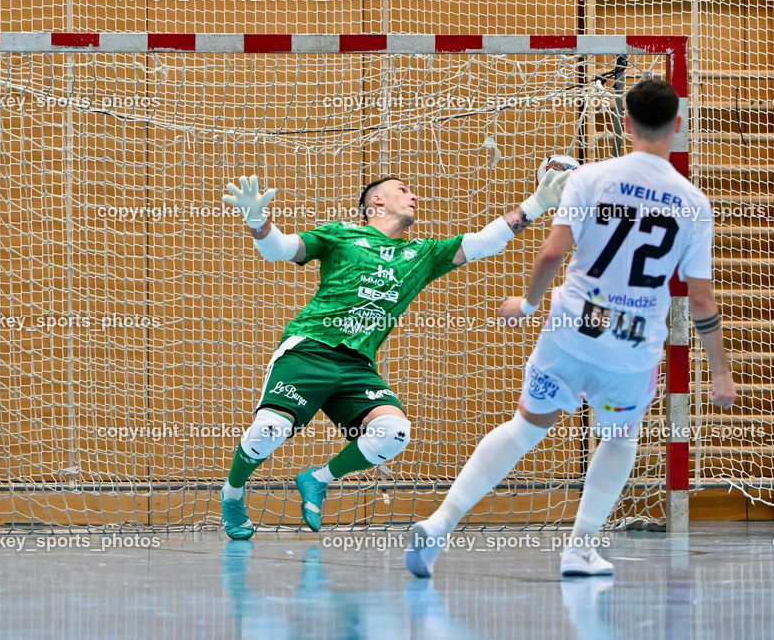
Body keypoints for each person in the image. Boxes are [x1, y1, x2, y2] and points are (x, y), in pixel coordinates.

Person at [405, 78, 737, 578]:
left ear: (626, 124)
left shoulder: (591, 178)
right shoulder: (693, 203)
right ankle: (580, 550)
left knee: (524, 428)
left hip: (570, 328)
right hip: (631, 346)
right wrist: (719, 372)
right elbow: (701, 299)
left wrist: (528, 302)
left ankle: (440, 523)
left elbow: (552, 253)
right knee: (620, 439)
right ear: (678, 127)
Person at [218, 167, 572, 539]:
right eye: (403, 189)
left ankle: (317, 480)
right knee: (272, 428)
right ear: (377, 200)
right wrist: (257, 221)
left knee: (393, 431)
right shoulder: (342, 235)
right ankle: (232, 494)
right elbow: (280, 249)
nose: (413, 195)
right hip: (309, 350)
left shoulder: (421, 254)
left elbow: (485, 241)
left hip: (357, 365)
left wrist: (536, 204)